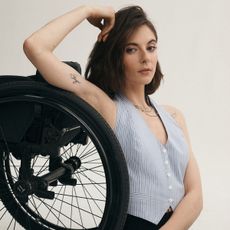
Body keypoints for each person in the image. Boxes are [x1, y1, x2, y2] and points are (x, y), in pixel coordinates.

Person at [23, 4, 203, 230]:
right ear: (116, 56)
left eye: (151, 47)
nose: (145, 58)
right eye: (131, 49)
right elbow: (35, 46)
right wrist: (87, 11)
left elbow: (195, 195)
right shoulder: (108, 108)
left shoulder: (175, 117)